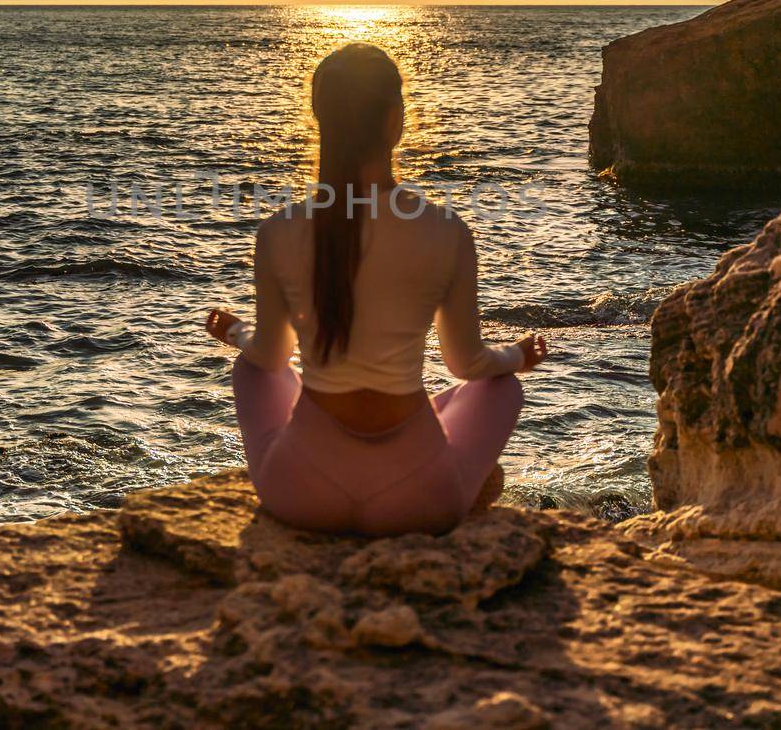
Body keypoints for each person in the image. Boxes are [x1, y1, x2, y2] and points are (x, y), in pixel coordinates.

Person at [205, 42, 548, 536]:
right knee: (500, 388)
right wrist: (517, 357)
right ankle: (454, 468)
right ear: (395, 121)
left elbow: (270, 355)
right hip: (420, 500)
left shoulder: (280, 231)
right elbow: (466, 364)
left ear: (322, 121)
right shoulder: (444, 230)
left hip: (302, 493)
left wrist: (236, 332)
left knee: (252, 368)